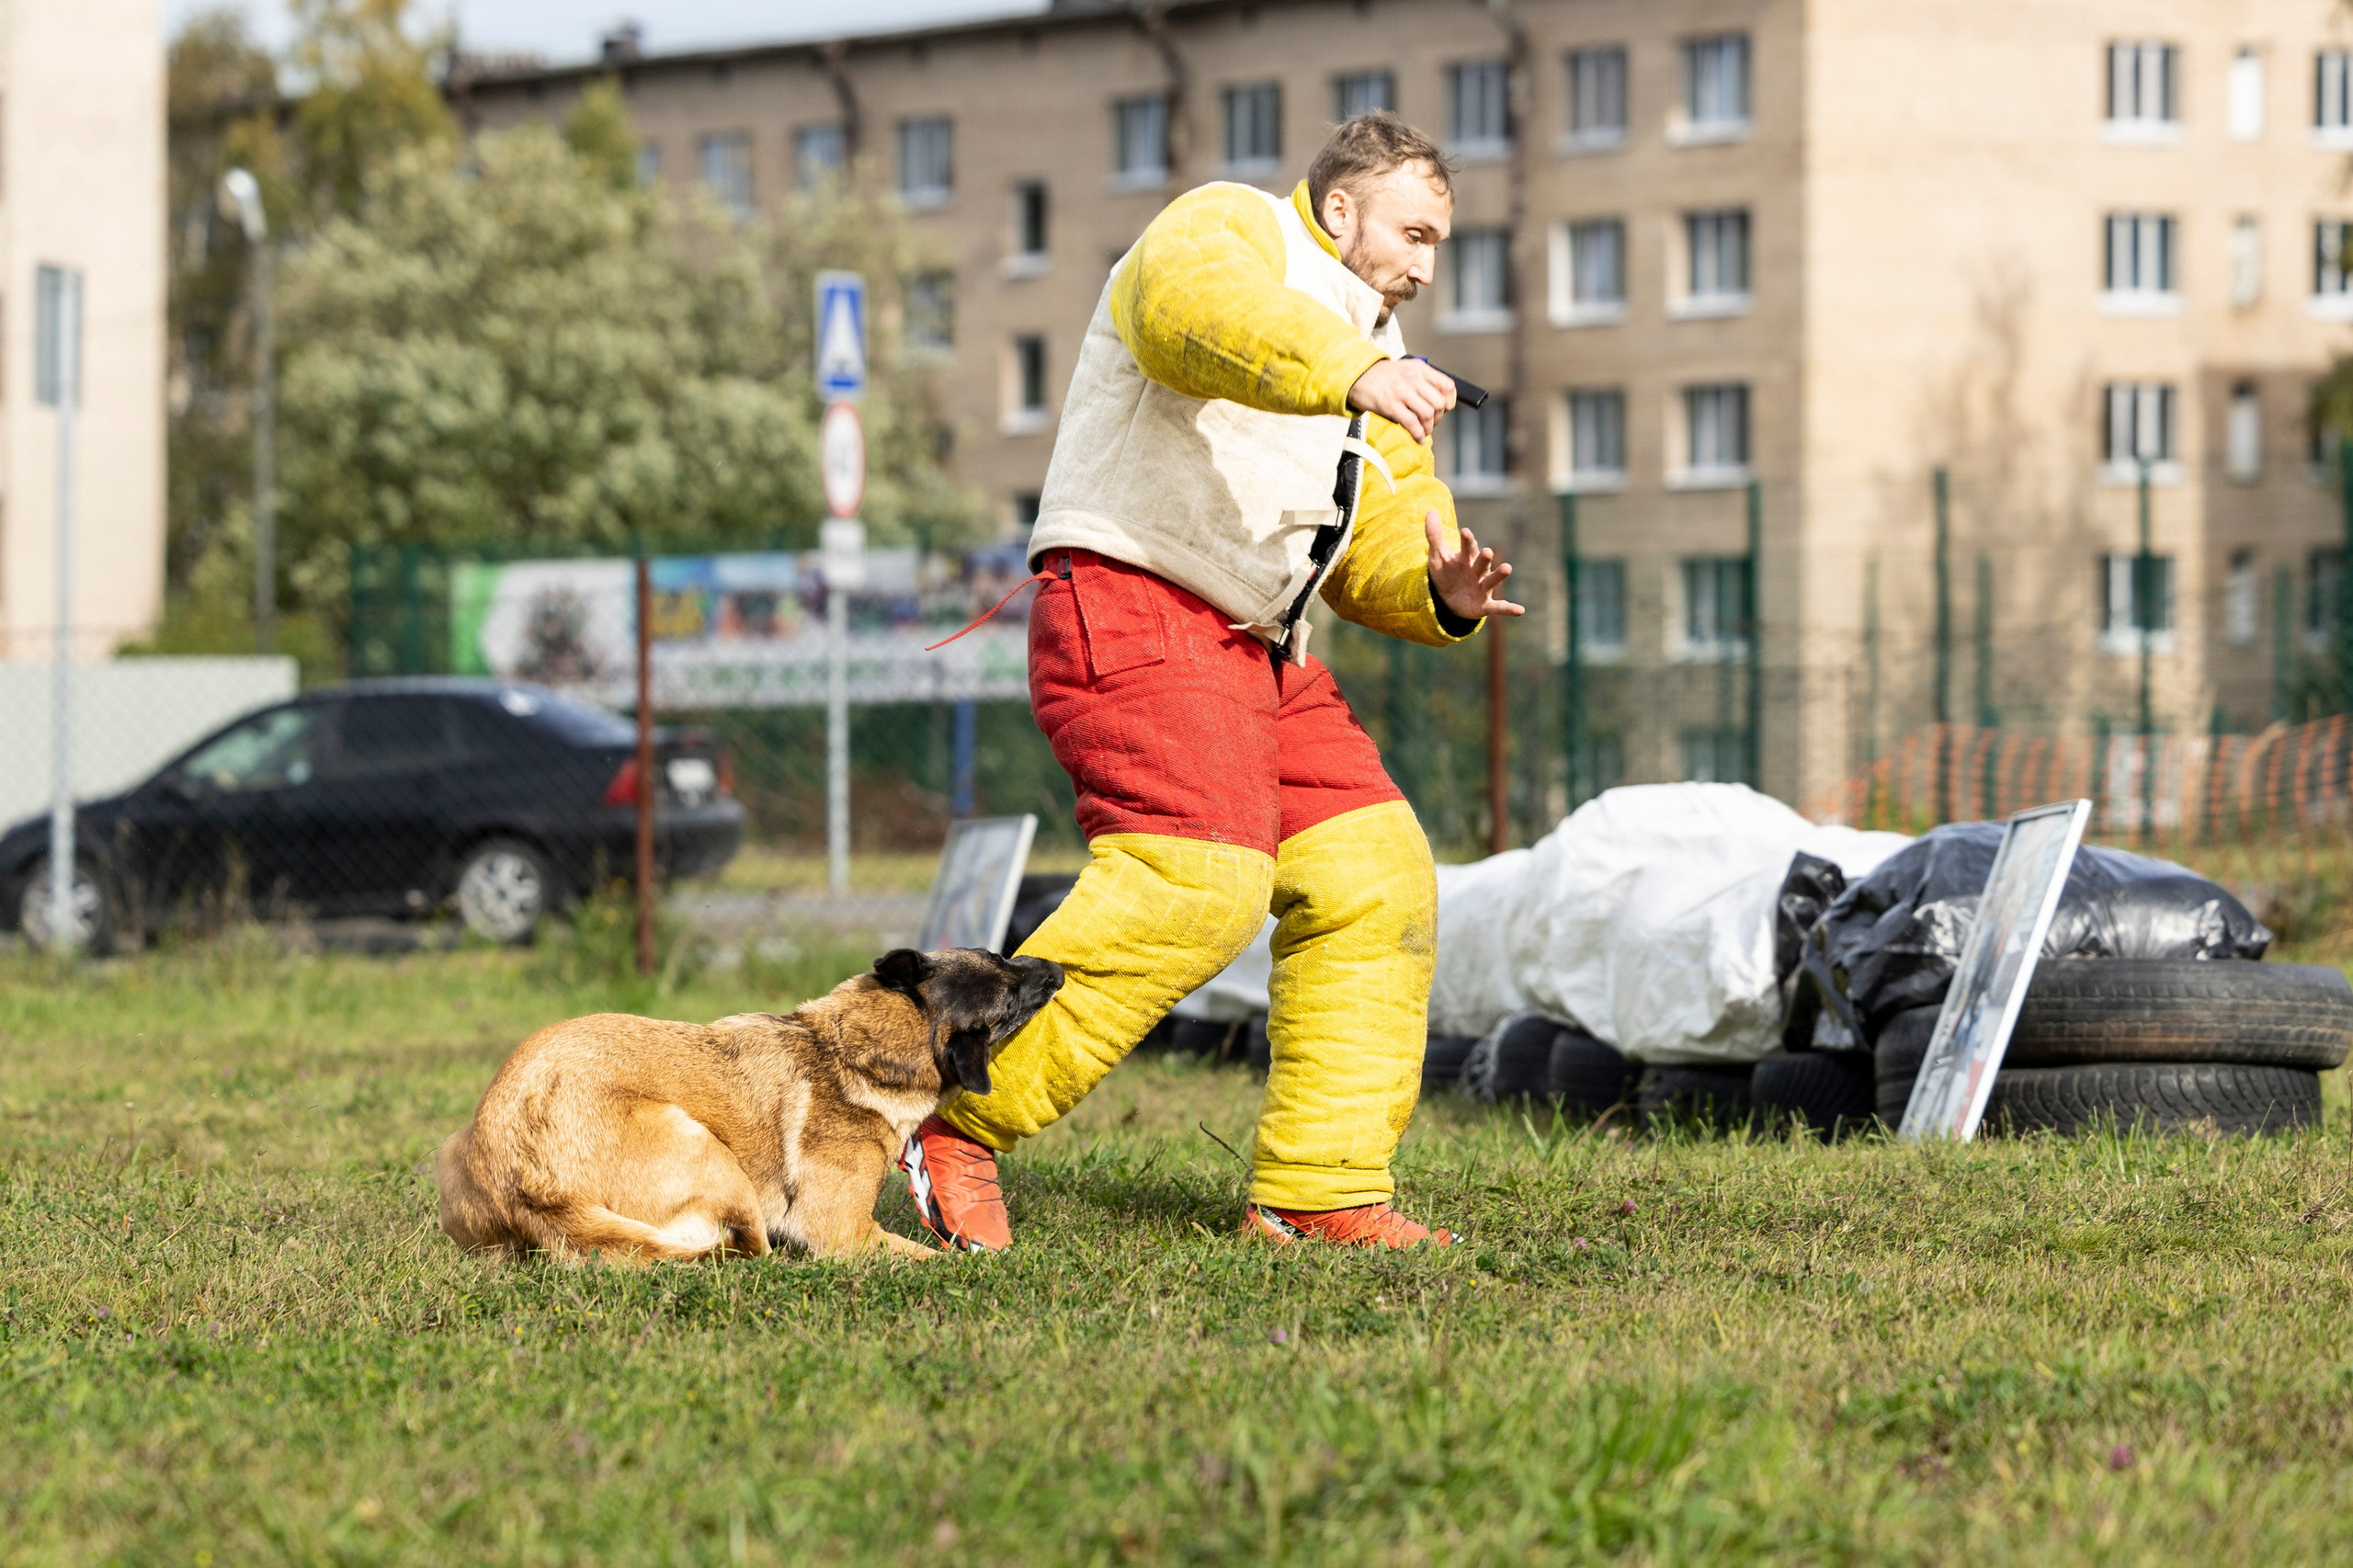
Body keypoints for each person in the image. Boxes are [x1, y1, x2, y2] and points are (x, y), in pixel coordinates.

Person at [901, 111, 1522, 1251]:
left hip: (1258, 648)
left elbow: (1382, 539)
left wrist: (1442, 591)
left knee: (1373, 875)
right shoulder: (1228, 232)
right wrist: (1357, 371)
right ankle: (941, 1115)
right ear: (1339, 208)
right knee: (1198, 878)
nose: (1427, 265)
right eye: (1413, 231)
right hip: (1133, 598)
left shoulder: (1374, 357)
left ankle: (1319, 1186)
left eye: (1442, 243)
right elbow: (1190, 316)